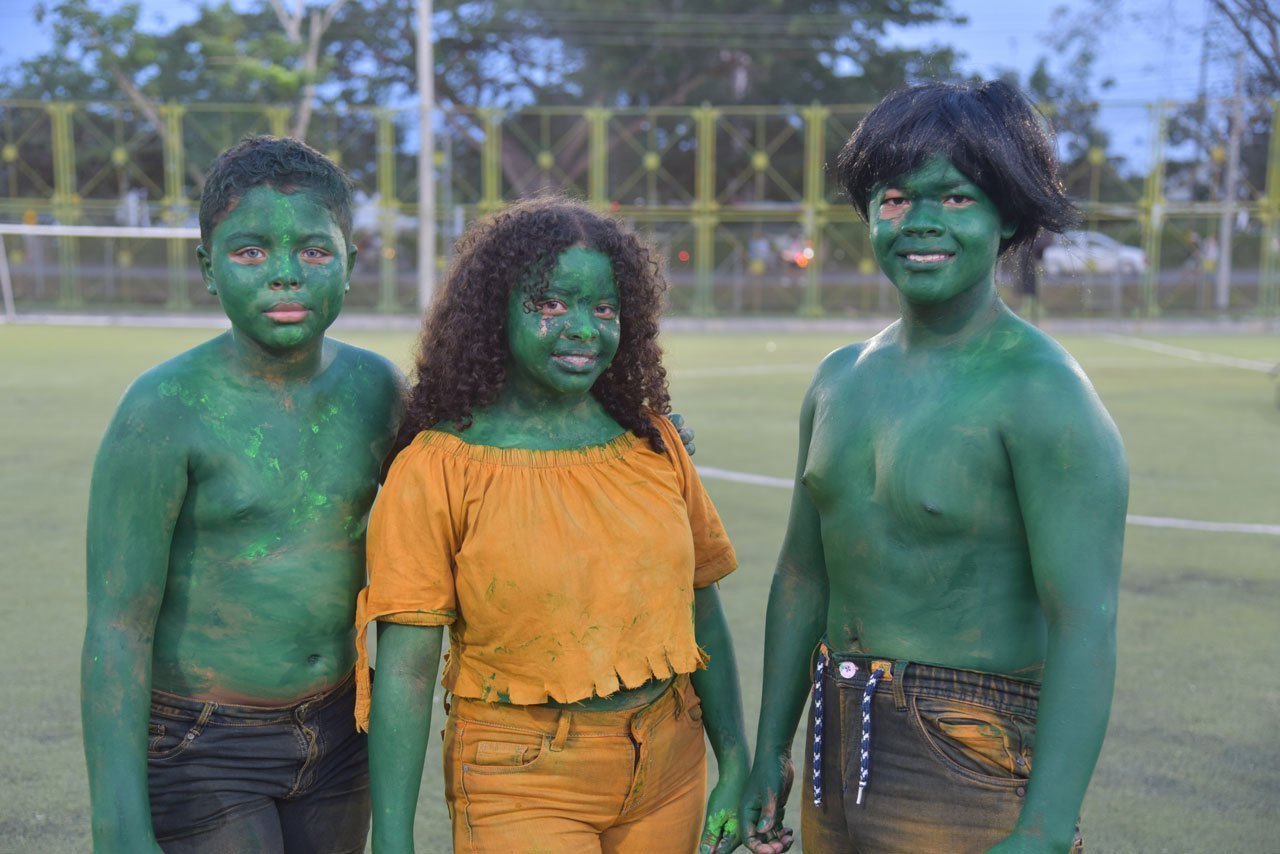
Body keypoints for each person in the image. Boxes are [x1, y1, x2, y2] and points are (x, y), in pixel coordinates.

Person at [739, 81, 1129, 854]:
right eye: (893, 198)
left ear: (1008, 214)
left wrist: (1045, 831)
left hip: (968, 751)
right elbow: (801, 577)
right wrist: (767, 753)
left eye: (954, 197)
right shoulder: (838, 378)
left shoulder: (1043, 392)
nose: (919, 222)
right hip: (834, 737)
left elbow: (1085, 619)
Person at [357, 195, 749, 854]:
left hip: (669, 764)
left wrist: (734, 761)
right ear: (494, 316)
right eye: (549, 305)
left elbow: (699, 609)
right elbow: (406, 673)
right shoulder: (438, 467)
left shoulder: (653, 442)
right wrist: (392, 841)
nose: (583, 329)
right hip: (520, 778)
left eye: (604, 308)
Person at [81, 136, 402, 853]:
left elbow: (474, 476)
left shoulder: (376, 390)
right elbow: (117, 625)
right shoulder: (162, 408)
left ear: (351, 263)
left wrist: (634, 418)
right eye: (251, 252)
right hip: (203, 740)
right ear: (207, 267)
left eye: (315, 252)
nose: (285, 276)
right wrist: (118, 824)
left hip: (342, 726)